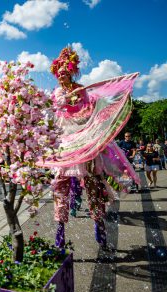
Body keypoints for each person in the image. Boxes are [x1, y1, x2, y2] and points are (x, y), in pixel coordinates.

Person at [46, 47, 139, 250]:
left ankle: (100, 228)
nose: (62, 75)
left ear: (71, 72)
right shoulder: (55, 94)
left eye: (65, 71)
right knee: (60, 188)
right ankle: (59, 235)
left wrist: (83, 99)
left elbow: (89, 113)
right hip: (65, 146)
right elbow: (52, 116)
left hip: (84, 143)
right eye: (59, 72)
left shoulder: (82, 91)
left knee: (94, 186)